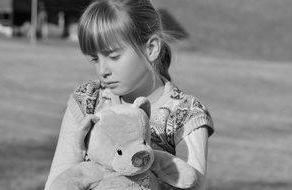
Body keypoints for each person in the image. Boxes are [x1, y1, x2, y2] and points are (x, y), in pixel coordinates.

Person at [44, 0, 214, 189]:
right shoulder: (87, 100)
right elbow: (58, 181)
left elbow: (190, 183)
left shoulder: (185, 115)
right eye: (94, 58)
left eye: (113, 56)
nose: (102, 70)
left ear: (151, 48)